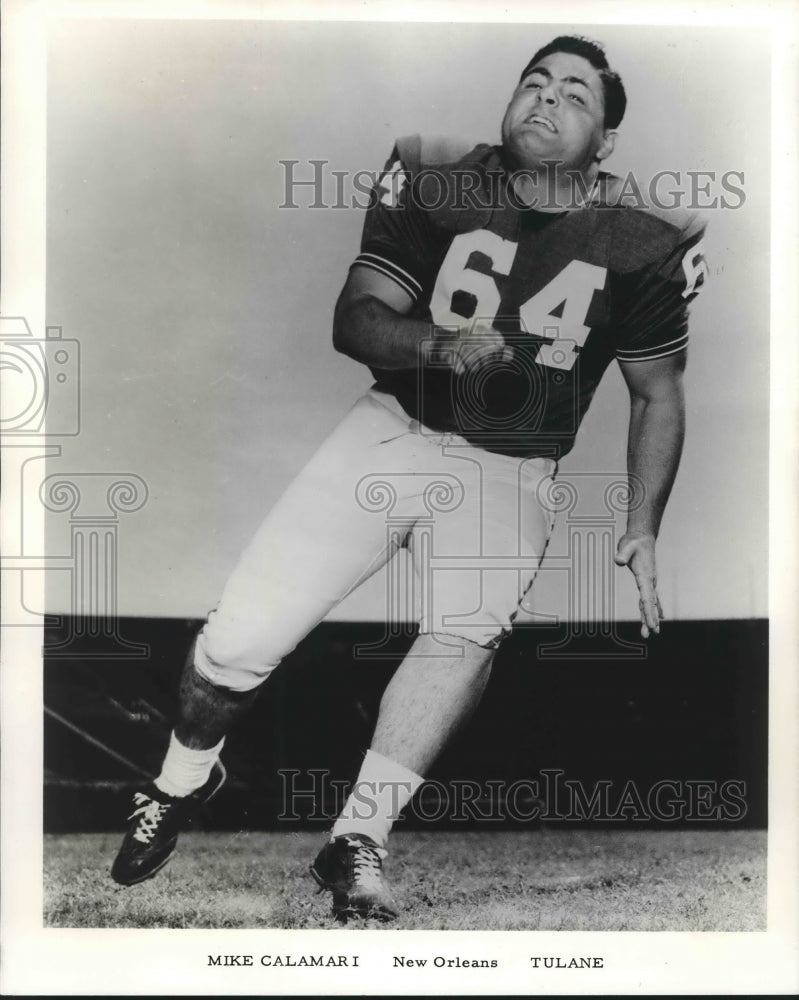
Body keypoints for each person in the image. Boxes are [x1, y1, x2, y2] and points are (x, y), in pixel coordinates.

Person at [111, 34, 706, 921]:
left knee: (467, 628)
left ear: (606, 142)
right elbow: (355, 319)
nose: (545, 99)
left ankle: (357, 839)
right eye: (533, 82)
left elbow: (656, 393)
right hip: (396, 427)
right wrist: (437, 344)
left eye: (575, 95)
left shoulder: (648, 235)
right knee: (236, 644)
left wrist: (642, 523)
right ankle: (179, 781)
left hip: (514, 465)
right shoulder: (433, 175)